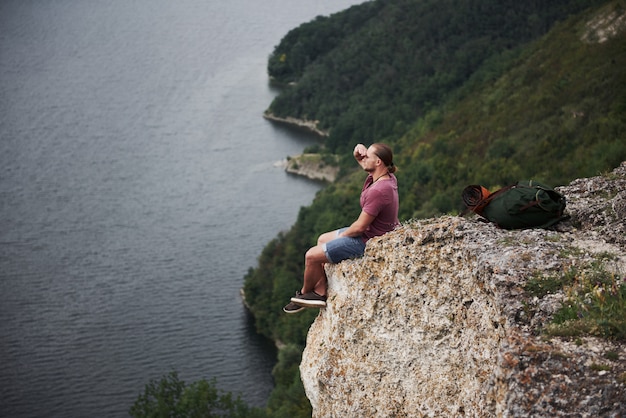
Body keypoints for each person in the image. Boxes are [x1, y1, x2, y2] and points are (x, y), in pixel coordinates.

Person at [283, 142, 400, 313]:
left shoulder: (379, 191)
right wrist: (359, 156)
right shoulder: (385, 177)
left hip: (370, 240)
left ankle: (304, 295)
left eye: (368, 156)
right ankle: (320, 290)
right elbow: (369, 165)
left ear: (378, 162)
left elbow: (359, 227)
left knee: (311, 256)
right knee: (322, 239)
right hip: (374, 231)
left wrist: (343, 237)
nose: (364, 157)